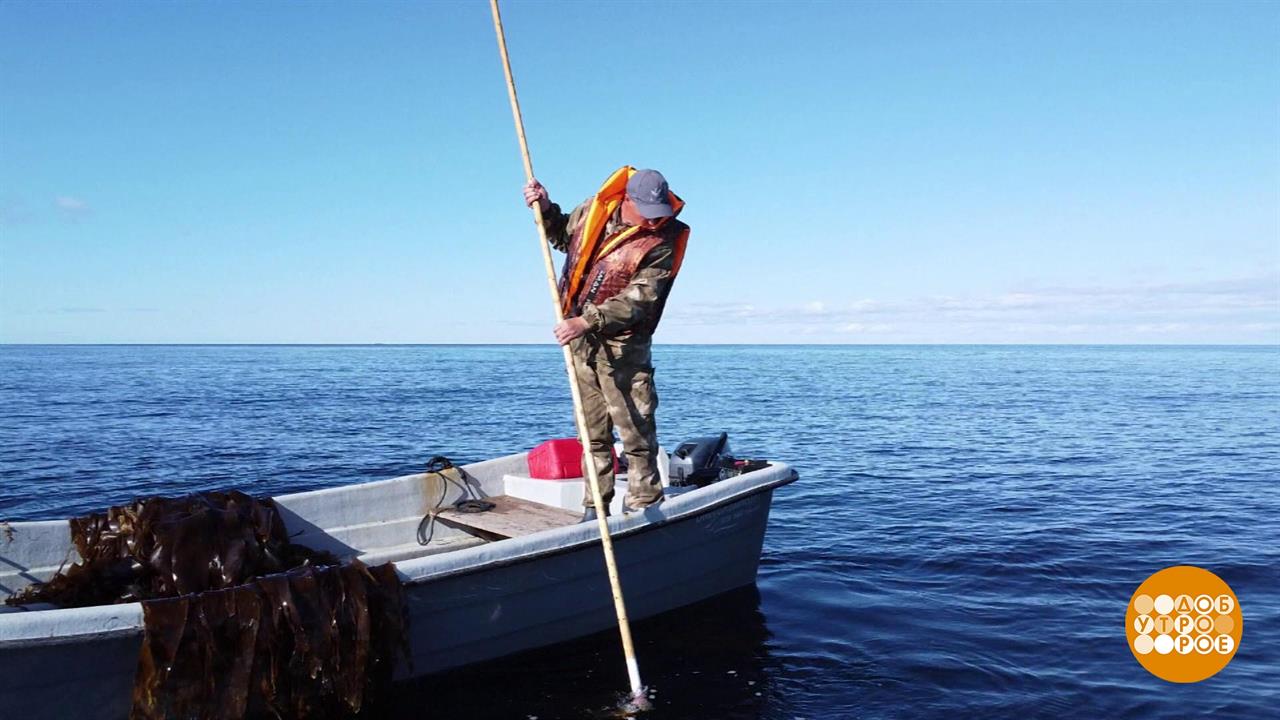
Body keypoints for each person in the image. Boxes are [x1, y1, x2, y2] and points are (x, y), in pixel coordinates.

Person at [523, 167, 690, 522]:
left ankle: (644, 503)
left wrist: (587, 320)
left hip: (625, 349)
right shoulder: (591, 212)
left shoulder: (662, 241)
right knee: (592, 430)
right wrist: (546, 207)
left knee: (636, 431)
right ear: (626, 200)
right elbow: (563, 237)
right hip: (583, 346)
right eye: (645, 210)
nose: (652, 220)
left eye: (657, 211)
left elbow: (640, 299)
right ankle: (594, 507)